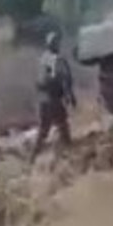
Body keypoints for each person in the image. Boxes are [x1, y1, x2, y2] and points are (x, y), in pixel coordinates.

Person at [29, 31, 76, 166]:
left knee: (44, 130)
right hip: (53, 99)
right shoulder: (58, 60)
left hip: (42, 99)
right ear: (55, 44)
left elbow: (39, 79)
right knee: (63, 126)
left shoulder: (43, 58)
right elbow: (64, 79)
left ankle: (33, 158)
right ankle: (69, 156)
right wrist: (70, 96)